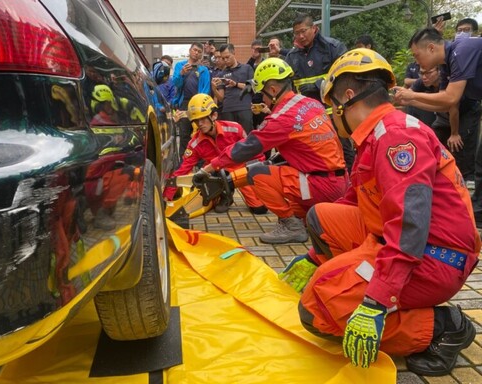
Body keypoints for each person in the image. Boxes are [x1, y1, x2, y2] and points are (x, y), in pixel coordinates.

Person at [279, 48, 480, 376]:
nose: (331, 114)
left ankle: (443, 326)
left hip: (434, 258)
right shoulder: (377, 134)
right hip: (402, 240)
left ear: (346, 97)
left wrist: (376, 301)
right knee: (321, 217)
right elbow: (356, 203)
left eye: (332, 106)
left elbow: (409, 227)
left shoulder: (397, 137)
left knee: (318, 310)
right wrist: (315, 258)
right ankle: (356, 279)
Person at [197, 58, 348, 244]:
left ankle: (291, 226)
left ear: (274, 90)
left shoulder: (281, 118)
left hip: (320, 185)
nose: (263, 99)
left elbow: (244, 149)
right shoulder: (310, 103)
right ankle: (305, 219)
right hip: (339, 181)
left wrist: (207, 169)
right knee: (275, 167)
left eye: (263, 95)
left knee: (257, 172)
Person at [393, 27, 482, 225]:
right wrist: (410, 101)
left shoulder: (462, 50)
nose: (417, 63)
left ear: (431, 48)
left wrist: (412, 95)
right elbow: (446, 103)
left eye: (417, 55)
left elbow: (451, 97)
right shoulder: (447, 65)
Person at [163, 94, 267, 214]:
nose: (199, 124)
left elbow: (254, 152)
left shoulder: (235, 129)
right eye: (196, 121)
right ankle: (225, 196)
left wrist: (260, 174)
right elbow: (182, 170)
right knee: (205, 185)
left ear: (214, 116)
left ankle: (233, 189)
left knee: (259, 209)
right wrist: (167, 198)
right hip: (216, 174)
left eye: (202, 119)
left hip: (241, 171)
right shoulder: (195, 144)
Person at [285, 14, 355, 172]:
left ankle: (351, 186)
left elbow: (346, 75)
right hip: (307, 118)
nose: (300, 36)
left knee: (344, 151)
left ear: (314, 28)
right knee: (313, 154)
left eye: (303, 31)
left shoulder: (333, 48)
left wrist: (317, 85)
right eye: (297, 33)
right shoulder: (292, 56)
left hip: (334, 113)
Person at [172, 42, 211, 159]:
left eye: (199, 51)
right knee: (184, 133)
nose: (196, 53)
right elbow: (176, 84)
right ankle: (184, 163)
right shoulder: (180, 65)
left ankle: (199, 163)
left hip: (199, 103)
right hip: (184, 103)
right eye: (194, 50)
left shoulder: (204, 70)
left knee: (200, 133)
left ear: (201, 54)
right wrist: (181, 73)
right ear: (190, 50)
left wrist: (201, 103)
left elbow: (206, 89)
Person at [212, 43, 254, 133]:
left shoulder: (246, 68)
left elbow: (252, 87)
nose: (225, 60)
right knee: (230, 139)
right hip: (227, 110)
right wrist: (214, 88)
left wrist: (236, 84)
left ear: (234, 53)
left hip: (244, 108)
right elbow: (221, 98)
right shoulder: (221, 74)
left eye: (227, 57)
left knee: (246, 137)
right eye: (223, 58)